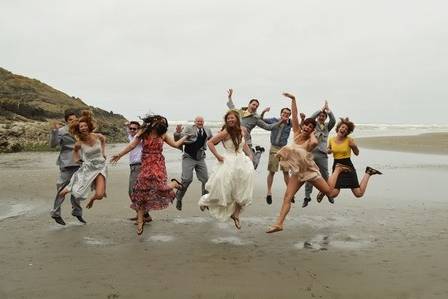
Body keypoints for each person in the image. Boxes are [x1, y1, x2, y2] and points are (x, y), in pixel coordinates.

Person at [266, 93, 351, 233]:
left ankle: (338, 171)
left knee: (331, 193)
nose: (307, 128)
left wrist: (312, 130)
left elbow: (315, 142)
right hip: (298, 173)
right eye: (306, 125)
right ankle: (279, 224)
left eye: (310, 127)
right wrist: (293, 100)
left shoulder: (311, 141)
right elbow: (294, 116)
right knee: (287, 196)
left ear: (313, 129)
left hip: (310, 172)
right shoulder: (296, 133)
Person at [110, 115, 187, 235]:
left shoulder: (163, 135)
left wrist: (185, 137)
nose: (160, 124)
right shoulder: (143, 133)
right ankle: (140, 221)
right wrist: (119, 155)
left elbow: (176, 145)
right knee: (141, 192)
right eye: (158, 121)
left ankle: (174, 183)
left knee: (161, 188)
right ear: (152, 122)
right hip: (145, 164)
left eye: (162, 122)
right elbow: (132, 145)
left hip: (158, 164)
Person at [198, 110, 255, 230]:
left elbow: (243, 144)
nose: (230, 120)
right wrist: (218, 156)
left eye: (232, 118)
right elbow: (210, 142)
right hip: (228, 160)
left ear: (237, 119)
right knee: (223, 187)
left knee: (243, 188)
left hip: (242, 161)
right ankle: (205, 201)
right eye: (228, 118)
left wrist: (250, 155)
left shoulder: (242, 130)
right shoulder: (225, 132)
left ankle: (236, 214)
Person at [316, 118, 382, 202]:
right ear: (339, 128)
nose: (343, 129)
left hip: (347, 165)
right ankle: (323, 190)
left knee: (359, 194)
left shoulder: (349, 140)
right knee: (333, 193)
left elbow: (357, 153)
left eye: (346, 129)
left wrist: (354, 146)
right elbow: (329, 150)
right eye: (342, 127)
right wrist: (328, 151)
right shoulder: (331, 139)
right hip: (337, 166)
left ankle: (368, 172)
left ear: (347, 132)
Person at [59, 110, 107, 211]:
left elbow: (103, 141)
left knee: (99, 195)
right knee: (78, 193)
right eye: (81, 127)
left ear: (89, 126)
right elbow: (75, 154)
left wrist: (103, 153)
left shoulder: (98, 136)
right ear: (78, 130)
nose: (84, 128)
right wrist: (79, 161)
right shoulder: (79, 143)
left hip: (101, 167)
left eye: (85, 125)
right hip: (89, 168)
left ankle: (92, 199)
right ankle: (67, 189)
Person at [226, 88, 281, 169]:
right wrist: (230, 97)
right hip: (235, 139)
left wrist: (280, 122)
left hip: (246, 140)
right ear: (249, 104)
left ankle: (258, 152)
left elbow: (268, 127)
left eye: (256, 106)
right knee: (237, 164)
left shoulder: (256, 118)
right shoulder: (240, 112)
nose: (255, 107)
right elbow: (231, 107)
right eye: (253, 104)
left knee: (253, 165)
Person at [49, 109, 84, 225]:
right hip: (67, 163)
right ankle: (55, 212)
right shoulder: (61, 131)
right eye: (70, 120)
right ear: (66, 121)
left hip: (80, 163)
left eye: (75, 119)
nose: (73, 121)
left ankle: (77, 212)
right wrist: (54, 131)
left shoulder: (81, 130)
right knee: (62, 189)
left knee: (78, 189)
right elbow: (53, 145)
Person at [173, 116, 213, 211]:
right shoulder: (189, 128)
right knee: (187, 180)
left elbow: (211, 139)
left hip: (200, 158)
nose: (200, 122)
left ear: (204, 122)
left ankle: (204, 201)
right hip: (189, 157)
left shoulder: (207, 129)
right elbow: (179, 138)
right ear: (195, 122)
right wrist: (177, 132)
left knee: (206, 180)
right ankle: (179, 198)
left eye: (201, 121)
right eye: (198, 121)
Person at [303, 101, 336, 207]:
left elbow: (333, 121)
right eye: (320, 116)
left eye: (323, 116)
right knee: (310, 176)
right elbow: (311, 118)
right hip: (311, 153)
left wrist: (328, 111)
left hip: (322, 154)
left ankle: (329, 193)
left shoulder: (327, 127)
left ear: (325, 118)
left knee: (325, 175)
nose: (321, 117)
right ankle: (307, 197)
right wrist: (320, 110)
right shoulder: (313, 125)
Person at [260, 107, 292, 205]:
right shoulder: (274, 120)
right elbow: (261, 120)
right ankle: (269, 192)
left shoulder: (290, 123)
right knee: (272, 171)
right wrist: (263, 112)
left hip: (284, 148)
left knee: (286, 172)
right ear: (281, 113)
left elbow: (300, 127)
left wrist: (302, 119)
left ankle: (290, 192)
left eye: (288, 113)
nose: (286, 114)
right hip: (274, 147)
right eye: (284, 113)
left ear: (289, 115)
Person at [125, 121, 152, 223]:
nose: (132, 130)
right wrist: (127, 125)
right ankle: (142, 214)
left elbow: (144, 131)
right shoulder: (130, 137)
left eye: (134, 129)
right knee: (134, 192)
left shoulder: (140, 138)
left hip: (139, 166)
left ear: (138, 130)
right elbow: (128, 129)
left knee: (133, 192)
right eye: (130, 128)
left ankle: (144, 215)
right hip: (133, 167)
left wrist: (140, 129)